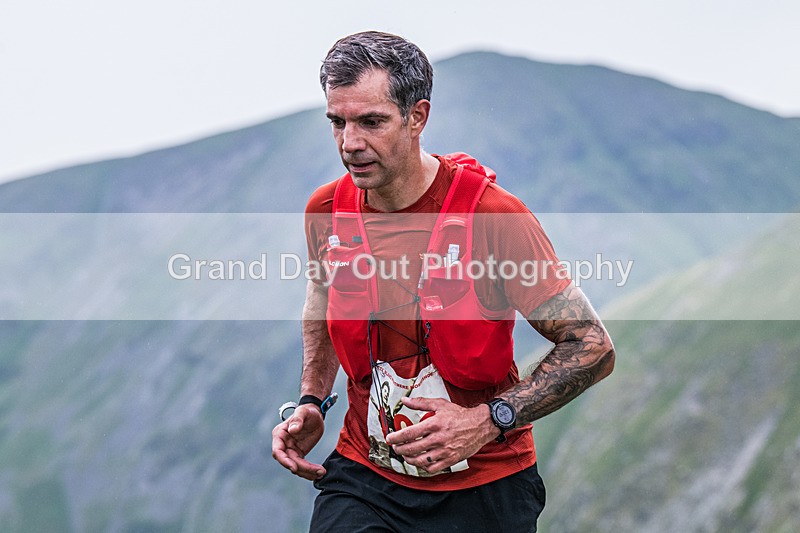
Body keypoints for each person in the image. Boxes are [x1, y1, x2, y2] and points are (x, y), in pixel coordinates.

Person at [272, 31, 615, 532]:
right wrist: (311, 400)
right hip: (365, 478)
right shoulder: (326, 210)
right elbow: (321, 301)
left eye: (371, 122)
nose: (350, 143)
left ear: (417, 117)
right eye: (337, 122)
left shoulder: (493, 216)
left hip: (487, 488)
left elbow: (591, 345)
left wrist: (487, 420)